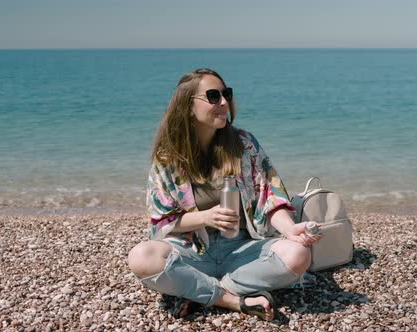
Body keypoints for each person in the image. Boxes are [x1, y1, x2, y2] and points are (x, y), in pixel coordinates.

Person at [127, 68, 321, 321]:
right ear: (187, 106)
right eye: (213, 96)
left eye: (226, 94)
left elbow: (270, 197)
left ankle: (201, 291)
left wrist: (290, 230)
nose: (223, 102)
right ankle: (232, 299)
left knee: (298, 255)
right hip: (192, 250)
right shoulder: (168, 156)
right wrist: (205, 218)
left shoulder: (244, 144)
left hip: (242, 248)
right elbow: (162, 220)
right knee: (141, 258)